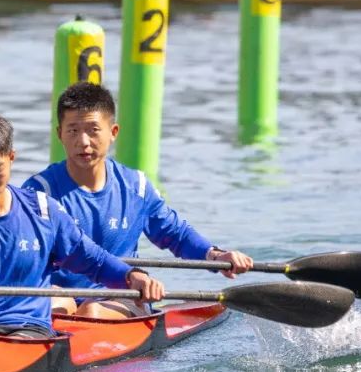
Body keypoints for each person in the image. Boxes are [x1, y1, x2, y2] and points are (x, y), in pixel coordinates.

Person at [0, 109, 165, 338]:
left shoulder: (43, 211)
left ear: (11, 158)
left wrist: (131, 276)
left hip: (28, 330)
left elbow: (92, 260)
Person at [23, 83, 253, 320]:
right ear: (59, 133)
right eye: (73, 131)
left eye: (93, 130)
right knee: (58, 305)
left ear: (113, 133)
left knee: (90, 311)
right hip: (61, 295)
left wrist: (216, 256)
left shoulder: (136, 187)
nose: (83, 141)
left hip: (120, 293)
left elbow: (176, 234)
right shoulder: (39, 192)